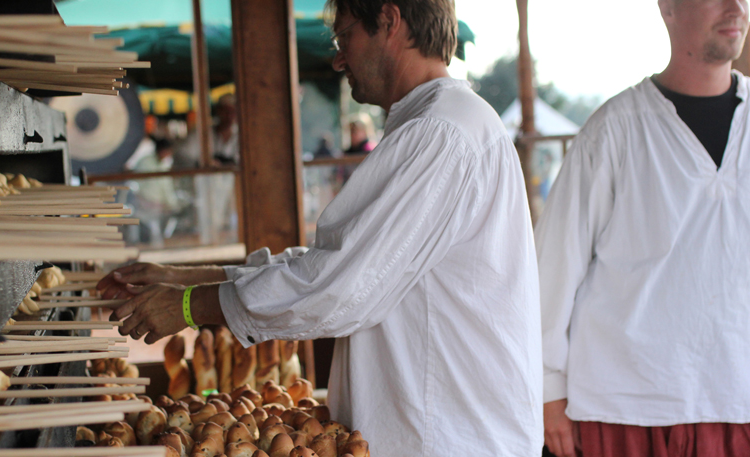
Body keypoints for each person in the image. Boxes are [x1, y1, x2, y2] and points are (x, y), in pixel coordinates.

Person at [97, 1, 542, 455]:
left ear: (388, 21)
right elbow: (331, 265)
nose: (338, 58)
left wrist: (190, 307)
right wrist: (183, 278)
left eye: (344, 35)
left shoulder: (441, 133)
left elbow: (337, 288)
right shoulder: (439, 125)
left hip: (446, 438)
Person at [537, 1, 750, 456]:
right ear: (668, 7)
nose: (736, 7)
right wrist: (547, 389)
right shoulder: (614, 130)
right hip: (626, 407)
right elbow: (554, 268)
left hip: (739, 397)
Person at [173, 94, 240, 244]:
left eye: (234, 112)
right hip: (203, 196)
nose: (230, 116)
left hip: (232, 201)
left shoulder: (241, 136)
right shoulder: (202, 133)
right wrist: (203, 164)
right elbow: (182, 157)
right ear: (219, 111)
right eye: (227, 111)